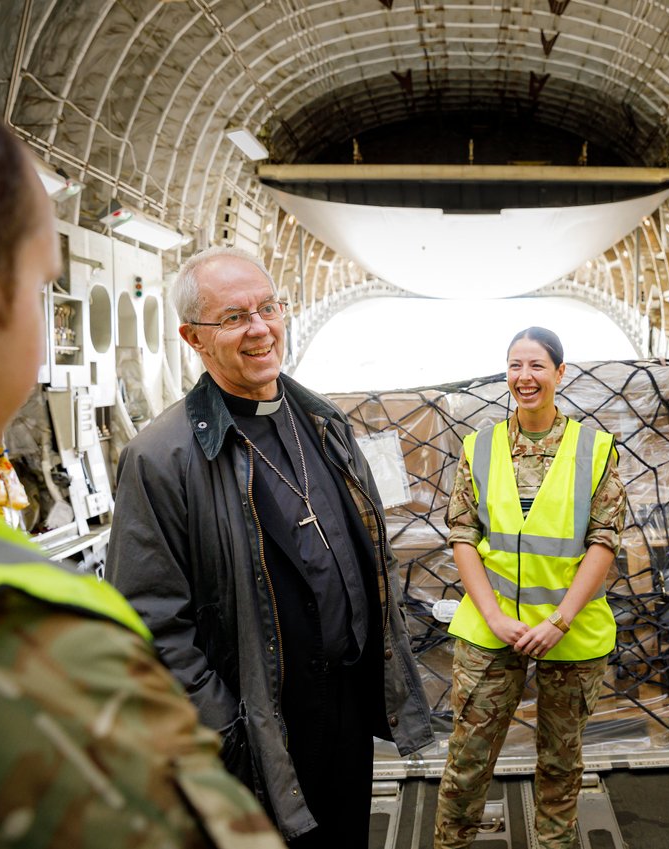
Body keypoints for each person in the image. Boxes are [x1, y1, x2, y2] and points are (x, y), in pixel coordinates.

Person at [0, 89, 283, 847]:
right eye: (39, 292)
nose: (42, 348)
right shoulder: (24, 648)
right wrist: (225, 729)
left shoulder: (316, 423)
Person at [106, 246, 433, 846]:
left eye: (268, 308)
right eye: (233, 317)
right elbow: (144, 624)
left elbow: (370, 551)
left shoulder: (322, 424)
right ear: (193, 337)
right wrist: (225, 727)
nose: (260, 329)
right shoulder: (161, 458)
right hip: (258, 729)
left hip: (345, 707)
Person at [434, 327, 626, 849]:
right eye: (515, 366)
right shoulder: (480, 447)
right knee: (467, 762)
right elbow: (463, 536)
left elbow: (603, 543)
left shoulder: (595, 448)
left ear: (560, 374)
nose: (525, 377)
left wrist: (559, 620)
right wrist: (495, 617)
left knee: (562, 765)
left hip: (570, 631)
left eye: (537, 366)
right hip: (490, 628)